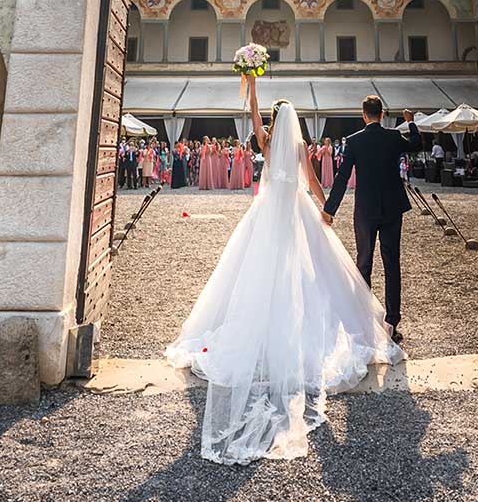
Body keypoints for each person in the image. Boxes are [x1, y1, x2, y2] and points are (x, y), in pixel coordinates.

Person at [165, 72, 401, 465]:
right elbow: (311, 180)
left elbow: (254, 119)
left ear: (274, 121)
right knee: (310, 274)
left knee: (255, 271)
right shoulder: (300, 145)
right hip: (295, 212)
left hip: (267, 212)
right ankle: (299, 331)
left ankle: (262, 328)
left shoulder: (267, 142)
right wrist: (326, 210)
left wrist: (252, 87)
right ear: (296, 123)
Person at [321, 95, 424, 342]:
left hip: (365, 210)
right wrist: (410, 122)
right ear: (382, 114)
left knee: (363, 263)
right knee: (392, 264)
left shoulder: (354, 141)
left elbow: (342, 177)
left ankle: (364, 320)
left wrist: (330, 208)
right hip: (392, 208)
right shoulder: (392, 137)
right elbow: (416, 144)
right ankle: (391, 322)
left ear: (364, 115)